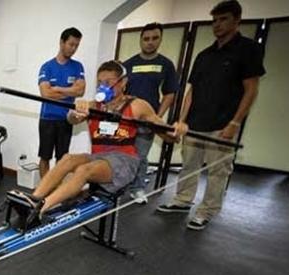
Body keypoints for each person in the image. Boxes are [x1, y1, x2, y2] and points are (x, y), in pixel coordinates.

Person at [19, 60, 187, 225]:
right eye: (100, 82)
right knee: (68, 159)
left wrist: (176, 130)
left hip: (124, 161)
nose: (103, 86)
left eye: (108, 82)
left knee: (84, 170)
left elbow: (166, 134)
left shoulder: (137, 105)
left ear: (123, 83)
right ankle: (34, 199)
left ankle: (41, 208)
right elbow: (71, 119)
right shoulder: (94, 105)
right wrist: (75, 113)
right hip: (99, 157)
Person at [157, 0, 265, 231]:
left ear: (236, 20)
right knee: (189, 164)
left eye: (223, 19)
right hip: (196, 121)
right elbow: (191, 91)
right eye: (214, 20)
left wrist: (235, 122)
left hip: (223, 123)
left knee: (218, 170)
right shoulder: (205, 55)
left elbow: (251, 89)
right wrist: (182, 120)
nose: (217, 25)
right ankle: (183, 200)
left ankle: (207, 211)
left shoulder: (247, 50)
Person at [123, 22, 179, 204]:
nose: (150, 42)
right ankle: (122, 183)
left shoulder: (166, 65)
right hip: (128, 118)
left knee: (140, 154)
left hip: (148, 121)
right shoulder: (129, 64)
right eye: (146, 39)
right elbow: (119, 92)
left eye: (155, 38)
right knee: (123, 152)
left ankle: (137, 188)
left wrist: (157, 117)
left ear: (160, 39)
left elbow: (169, 93)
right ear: (141, 40)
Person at [38, 27, 86, 178]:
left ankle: (57, 190)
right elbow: (46, 93)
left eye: (76, 45)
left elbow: (80, 91)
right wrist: (69, 90)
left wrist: (58, 88)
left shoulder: (77, 66)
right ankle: (43, 191)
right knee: (45, 157)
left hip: (66, 119)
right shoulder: (47, 67)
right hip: (48, 118)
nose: (73, 48)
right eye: (71, 44)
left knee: (62, 159)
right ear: (61, 42)